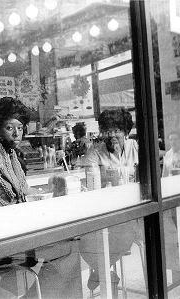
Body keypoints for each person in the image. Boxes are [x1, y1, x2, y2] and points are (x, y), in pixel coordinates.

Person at [79, 108, 139, 293]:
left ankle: (101, 271)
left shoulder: (134, 147)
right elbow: (90, 181)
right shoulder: (95, 151)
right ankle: (104, 272)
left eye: (117, 130)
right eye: (107, 130)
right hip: (106, 212)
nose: (112, 135)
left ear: (126, 132)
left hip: (132, 211)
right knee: (86, 239)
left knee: (121, 234)